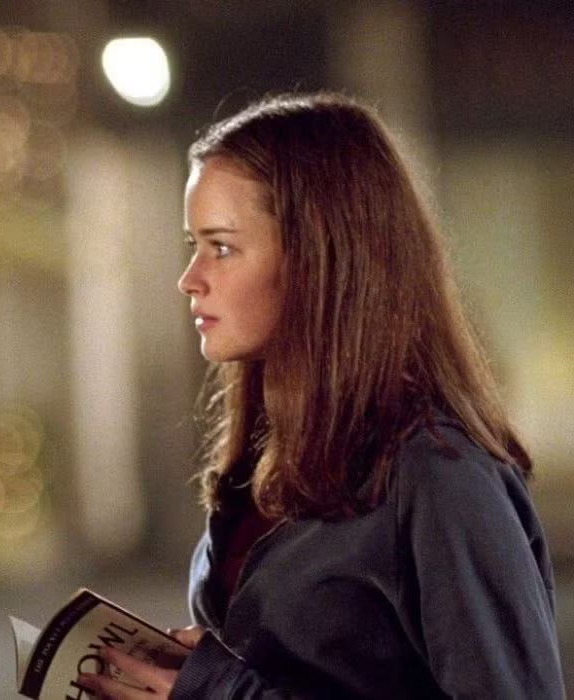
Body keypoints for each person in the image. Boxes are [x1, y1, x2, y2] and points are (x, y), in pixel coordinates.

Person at [77, 93, 564, 698]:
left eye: (221, 247)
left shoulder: (438, 475)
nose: (189, 279)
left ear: (317, 258)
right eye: (192, 245)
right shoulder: (258, 466)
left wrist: (219, 691)